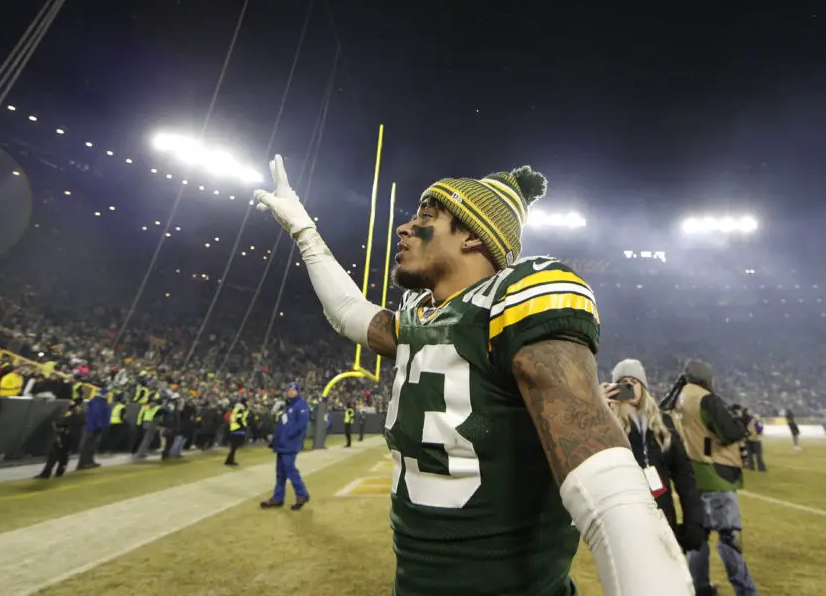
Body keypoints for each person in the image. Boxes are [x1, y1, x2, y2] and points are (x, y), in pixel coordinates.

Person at [255, 155, 692, 596]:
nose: (405, 228)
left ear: (472, 237)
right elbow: (350, 312)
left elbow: (602, 474)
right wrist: (303, 230)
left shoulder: (515, 299)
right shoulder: (422, 318)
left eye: (426, 216)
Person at [672, 361, 758, 596]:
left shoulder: (681, 398)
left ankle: (700, 587)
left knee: (700, 537)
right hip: (715, 474)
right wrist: (745, 424)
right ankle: (746, 591)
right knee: (730, 537)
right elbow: (729, 432)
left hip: (694, 473)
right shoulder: (705, 398)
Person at [602, 359, 705, 553]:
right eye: (623, 382)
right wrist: (596, 406)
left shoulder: (663, 425)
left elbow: (685, 476)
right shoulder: (607, 425)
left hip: (663, 521)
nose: (629, 386)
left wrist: (694, 520)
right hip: (625, 525)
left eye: (634, 381)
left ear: (644, 387)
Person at [261, 382, 310, 511]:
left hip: (290, 444)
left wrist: (289, 435)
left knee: (290, 470)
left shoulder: (301, 405)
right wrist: (275, 440)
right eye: (289, 389)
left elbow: (301, 424)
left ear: (298, 391)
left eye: (293, 390)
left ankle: (302, 494)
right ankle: (278, 498)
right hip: (281, 444)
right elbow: (281, 426)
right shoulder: (287, 406)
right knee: (280, 473)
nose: (290, 392)